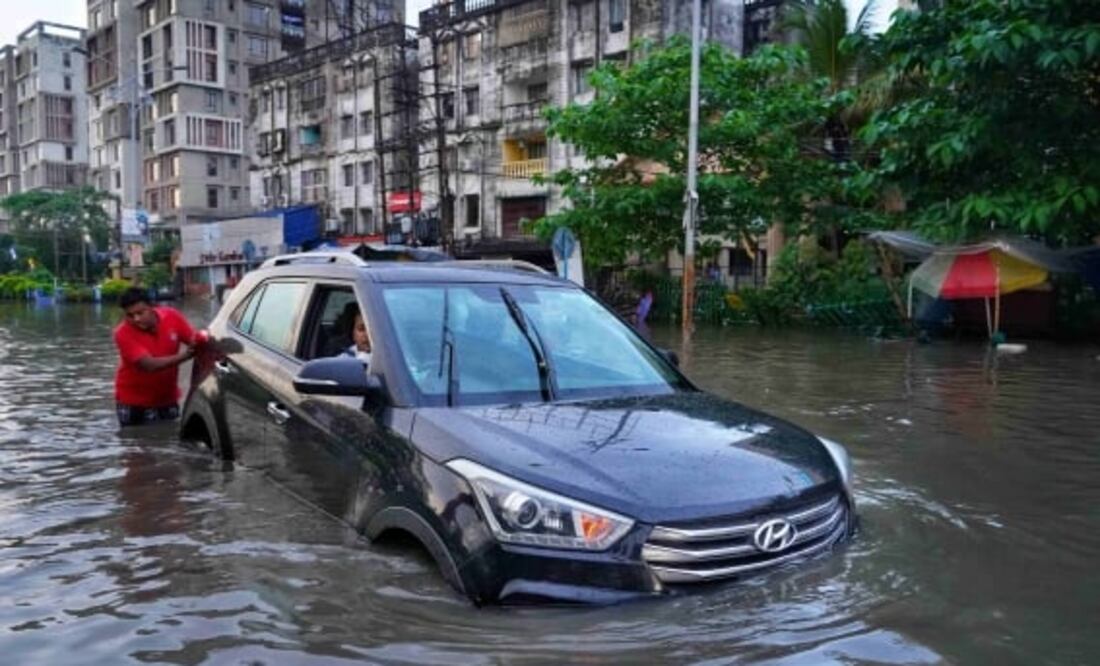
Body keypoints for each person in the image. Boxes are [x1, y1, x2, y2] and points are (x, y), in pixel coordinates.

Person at [113, 287, 202, 426]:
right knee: (135, 443)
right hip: (133, 402)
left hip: (167, 399)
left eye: (140, 313)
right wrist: (186, 355)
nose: (136, 319)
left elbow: (196, 341)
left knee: (168, 441)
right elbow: (149, 365)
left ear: (152, 307)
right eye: (130, 315)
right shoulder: (122, 333)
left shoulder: (172, 317)